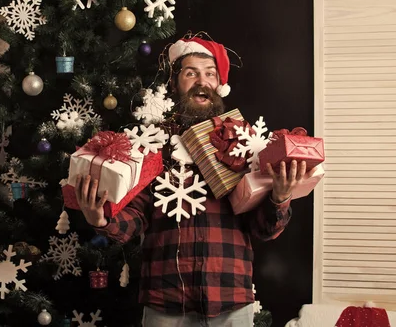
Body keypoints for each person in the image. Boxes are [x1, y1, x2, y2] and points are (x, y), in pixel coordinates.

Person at [75, 35, 314, 327]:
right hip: (166, 304)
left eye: (210, 74)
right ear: (175, 84)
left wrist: (279, 198)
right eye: (191, 73)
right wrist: (100, 218)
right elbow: (136, 216)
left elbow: (262, 228)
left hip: (231, 301)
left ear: (218, 84)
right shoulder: (153, 144)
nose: (202, 81)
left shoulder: (245, 143)